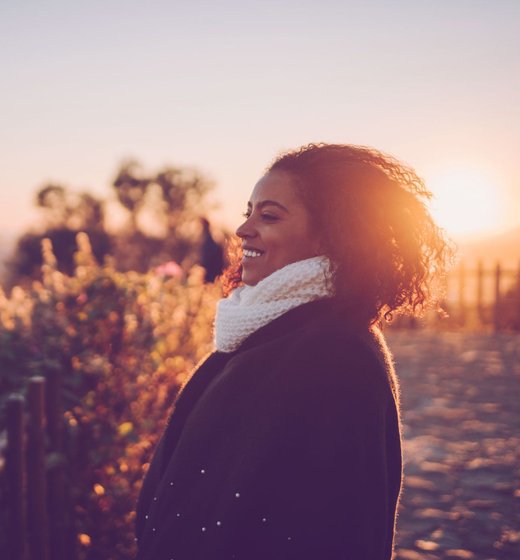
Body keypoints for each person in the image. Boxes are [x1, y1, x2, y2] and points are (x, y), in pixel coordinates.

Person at [134, 144, 451, 559]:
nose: (243, 230)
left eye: (269, 216)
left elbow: (336, 527)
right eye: (248, 212)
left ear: (334, 234)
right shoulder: (273, 328)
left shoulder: (335, 356)